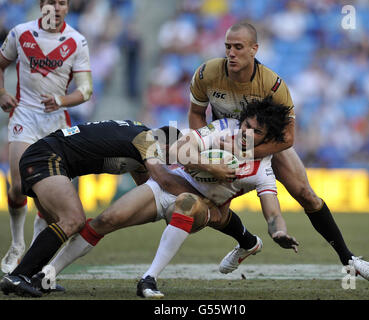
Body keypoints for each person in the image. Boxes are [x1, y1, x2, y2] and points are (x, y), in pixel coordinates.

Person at [21, 98, 298, 299]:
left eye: (255, 131)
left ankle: (149, 278)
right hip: (167, 185)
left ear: (268, 139)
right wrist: (209, 165)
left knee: (186, 204)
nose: (245, 132)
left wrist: (279, 232)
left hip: (199, 206)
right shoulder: (224, 126)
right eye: (246, 124)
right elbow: (180, 148)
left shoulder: (262, 170)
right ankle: (47, 275)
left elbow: (273, 213)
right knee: (107, 219)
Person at [187, 21, 369, 280]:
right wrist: (204, 151)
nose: (231, 53)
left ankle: (349, 259)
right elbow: (196, 114)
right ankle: (247, 242)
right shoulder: (206, 74)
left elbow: (288, 137)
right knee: (215, 212)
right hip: (223, 142)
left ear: (254, 49)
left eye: (238, 47)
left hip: (265, 145)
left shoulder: (272, 85)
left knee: (306, 195)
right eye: (227, 47)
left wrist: (245, 153)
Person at [0, 119, 208, 298]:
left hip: (48, 155)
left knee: (60, 223)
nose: (172, 160)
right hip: (47, 157)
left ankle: (36, 278)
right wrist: (202, 199)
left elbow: (150, 192)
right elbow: (162, 180)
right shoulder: (148, 139)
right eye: (174, 153)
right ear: (166, 144)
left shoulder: (140, 139)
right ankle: (18, 276)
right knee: (72, 220)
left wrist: (177, 214)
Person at [0, 0, 93, 274]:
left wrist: (62, 99)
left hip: (56, 123)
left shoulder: (77, 41)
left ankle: (33, 262)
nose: (56, 7)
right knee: (19, 185)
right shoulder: (20, 33)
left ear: (67, 8)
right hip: (24, 116)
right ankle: (17, 244)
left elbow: (86, 90)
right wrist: (3, 94)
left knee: (48, 204)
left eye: (61, 2)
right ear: (42, 6)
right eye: (51, 2)